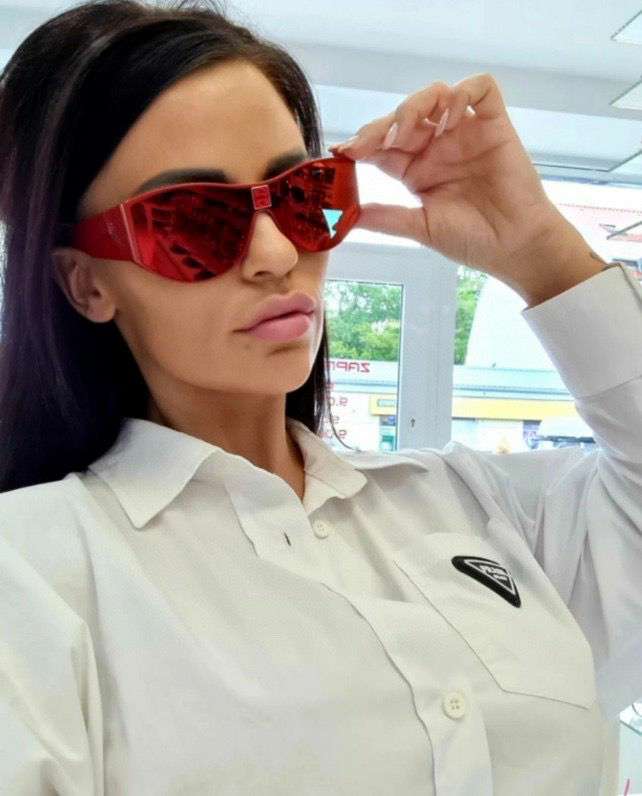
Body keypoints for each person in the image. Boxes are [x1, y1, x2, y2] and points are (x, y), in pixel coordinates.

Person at [0, 1, 640, 794]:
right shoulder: (33, 571)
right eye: (191, 221)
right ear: (86, 283)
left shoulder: (471, 504)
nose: (275, 253)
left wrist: (539, 247)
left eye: (302, 193)